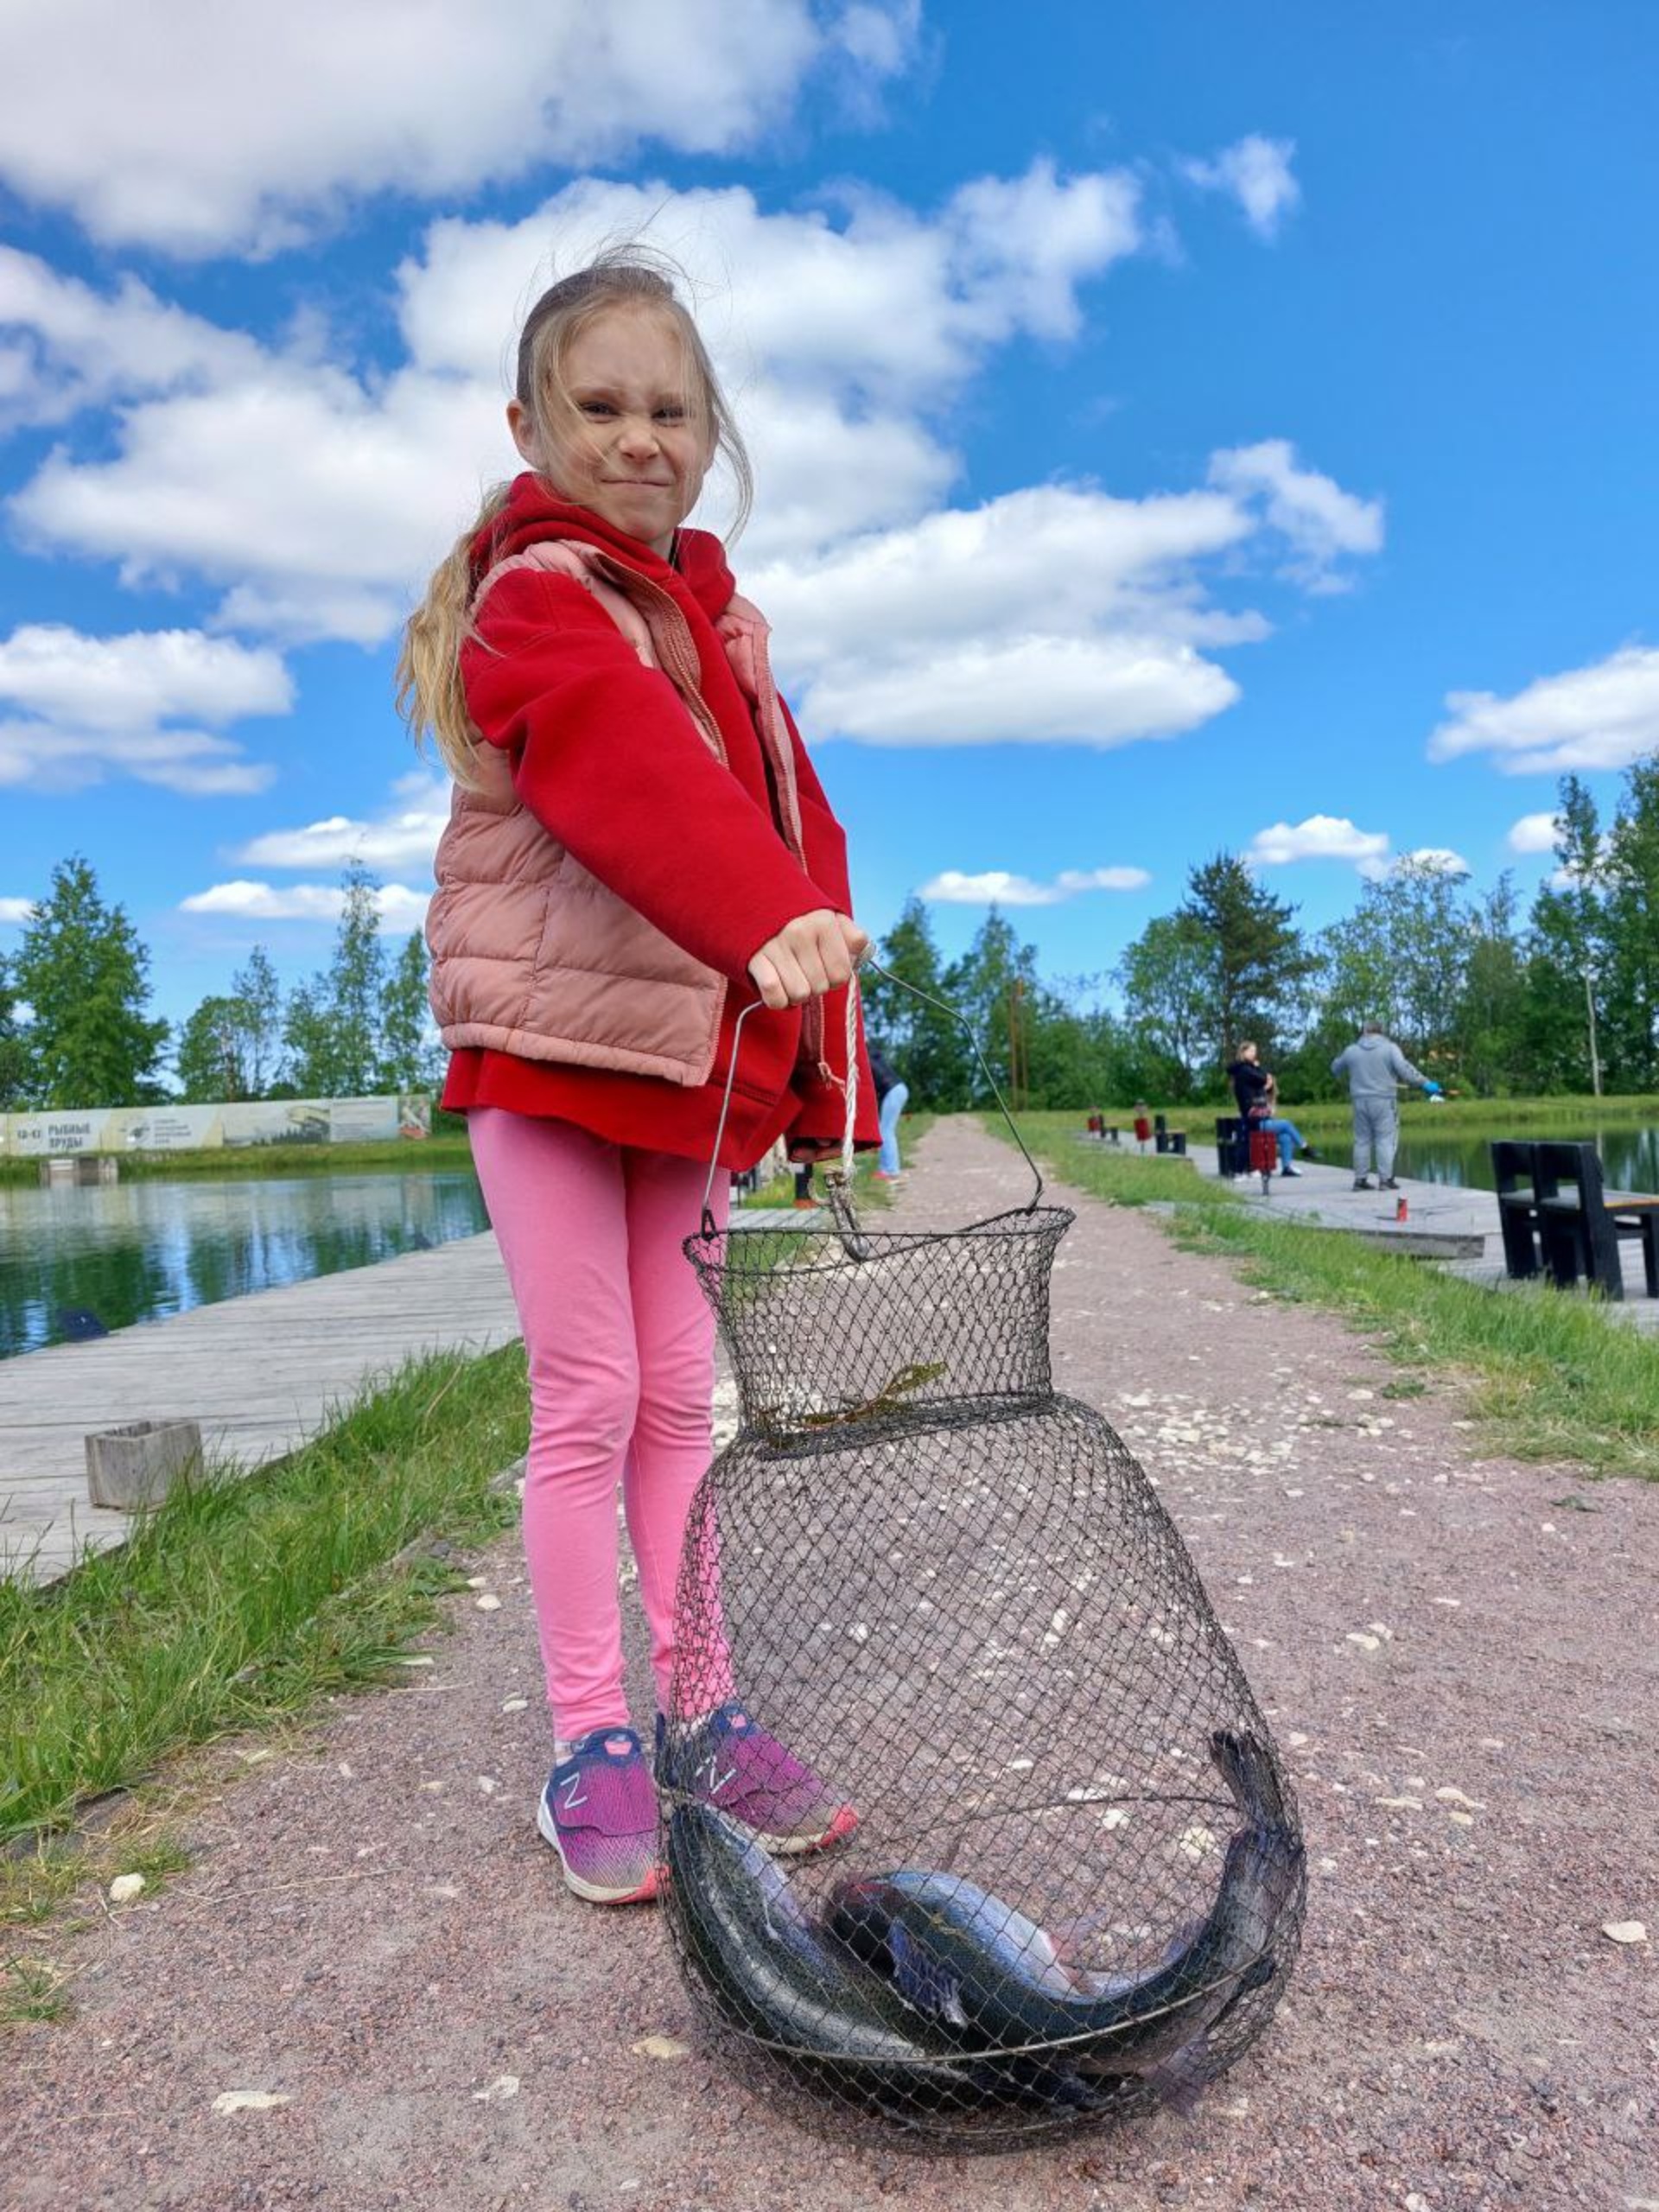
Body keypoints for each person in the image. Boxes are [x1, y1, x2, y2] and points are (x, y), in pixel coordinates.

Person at [398, 251, 876, 1906]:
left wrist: (824, 1082)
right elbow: (618, 763)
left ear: (711, 431)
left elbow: (797, 837)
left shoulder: (731, 626)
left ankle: (701, 1704)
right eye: (598, 407)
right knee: (587, 1398)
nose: (638, 438)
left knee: (686, 1394)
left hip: (682, 1064)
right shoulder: (537, 600)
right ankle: (590, 1738)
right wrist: (761, 920)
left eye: (670, 410)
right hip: (543, 1057)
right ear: (530, 424)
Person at [1330, 1022, 1441, 1191]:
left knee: (1361, 1140)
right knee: (1385, 1140)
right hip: (1384, 1100)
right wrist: (1425, 1083)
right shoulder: (1390, 1048)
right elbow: (1405, 1070)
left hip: (1359, 1101)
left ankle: (1360, 1181)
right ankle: (1385, 1180)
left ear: (1364, 1032)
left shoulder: (1351, 1050)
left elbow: (1335, 1068)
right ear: (1381, 1032)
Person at [1224, 1040, 1308, 1179]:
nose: (1254, 1054)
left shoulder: (1263, 1089)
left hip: (1263, 1120)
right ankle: (1304, 1146)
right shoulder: (1251, 1079)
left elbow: (1268, 1106)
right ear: (1243, 1052)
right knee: (1286, 1124)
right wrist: (1259, 1072)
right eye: (1251, 1051)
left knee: (1286, 1137)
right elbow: (1260, 1080)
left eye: (1255, 1051)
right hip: (1256, 1122)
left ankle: (1287, 1167)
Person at [868, 1041, 909, 1181]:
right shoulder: (874, 1055)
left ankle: (890, 1170)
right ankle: (888, 1169)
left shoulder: (865, 1058)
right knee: (885, 1130)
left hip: (892, 1090)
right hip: (898, 1089)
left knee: (886, 1131)